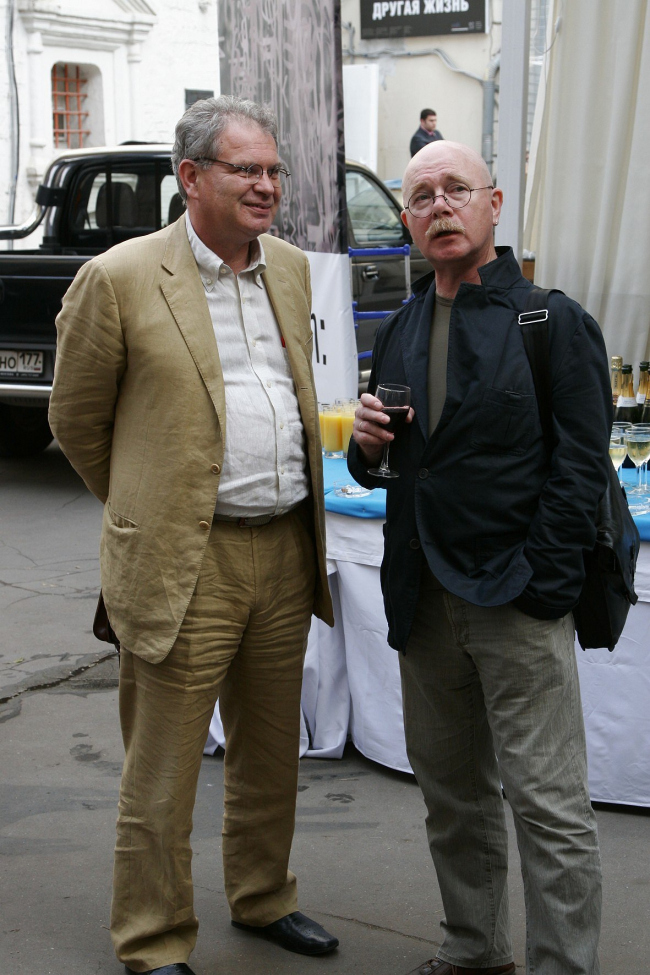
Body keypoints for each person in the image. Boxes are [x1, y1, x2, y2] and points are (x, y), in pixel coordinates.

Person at [49, 95, 338, 975]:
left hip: (283, 546)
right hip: (186, 556)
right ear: (191, 177)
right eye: (246, 169)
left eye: (274, 170)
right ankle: (153, 935)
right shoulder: (120, 276)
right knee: (165, 765)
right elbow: (76, 418)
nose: (267, 185)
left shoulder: (291, 268)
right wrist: (147, 505)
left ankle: (263, 894)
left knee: (270, 752)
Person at [348, 140, 609, 975]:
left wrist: (543, 582)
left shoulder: (549, 321)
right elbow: (394, 464)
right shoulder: (400, 326)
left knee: (548, 805)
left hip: (514, 599)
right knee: (453, 796)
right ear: (407, 220)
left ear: (493, 204)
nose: (439, 206)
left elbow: (581, 468)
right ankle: (474, 948)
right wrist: (365, 447)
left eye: (456, 189)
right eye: (421, 196)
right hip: (423, 597)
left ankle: (562, 964)